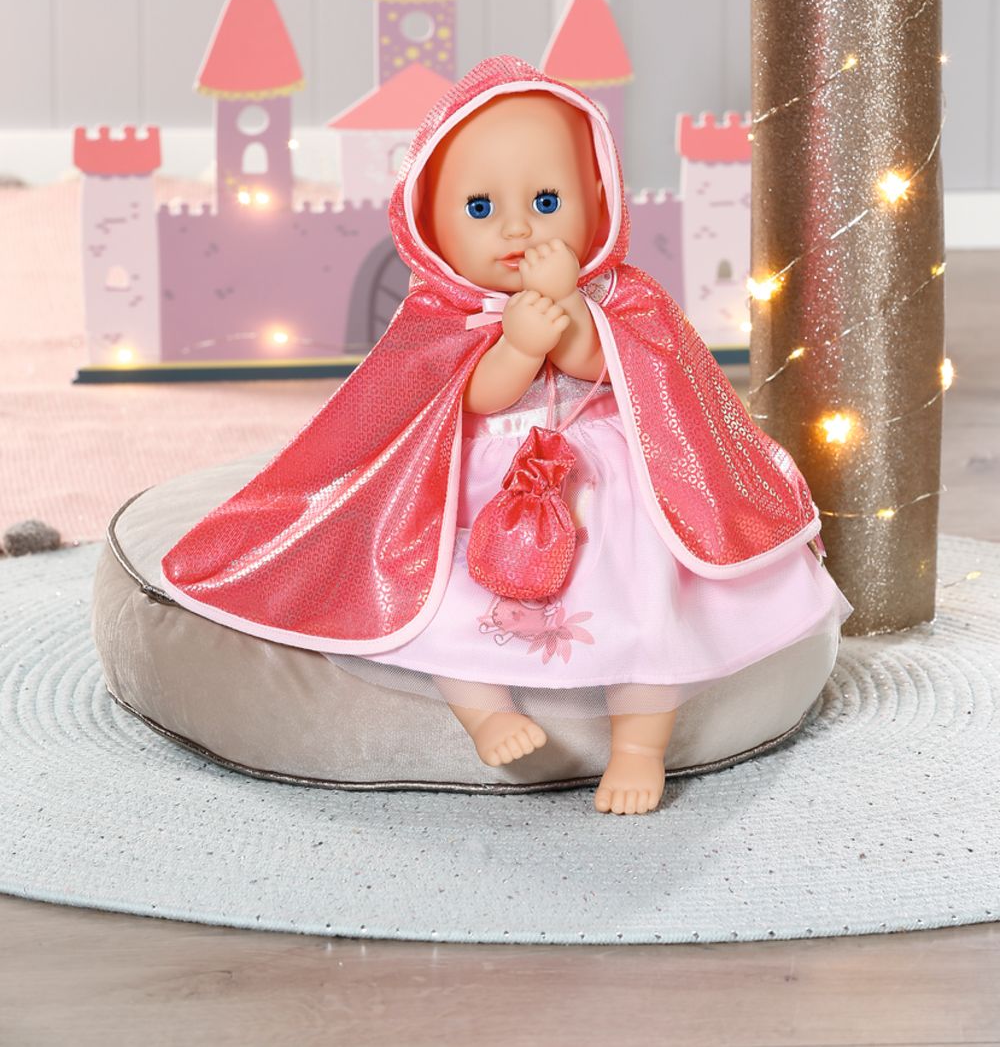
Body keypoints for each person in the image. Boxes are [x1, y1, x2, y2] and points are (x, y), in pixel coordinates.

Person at [161, 56, 853, 816]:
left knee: (653, 599)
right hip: (487, 486)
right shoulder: (439, 317)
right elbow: (470, 396)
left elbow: (620, 370)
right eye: (481, 207)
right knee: (436, 598)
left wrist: (571, 313)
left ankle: (638, 746)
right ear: (429, 223)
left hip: (607, 482)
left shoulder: (622, 299)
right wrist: (518, 346)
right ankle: (487, 714)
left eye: (547, 201)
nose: (519, 228)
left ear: (599, 201)